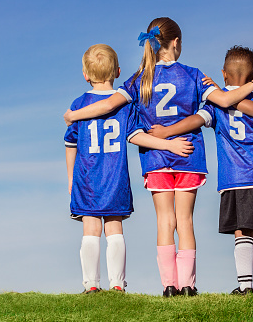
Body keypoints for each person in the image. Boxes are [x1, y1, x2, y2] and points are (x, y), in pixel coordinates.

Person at [63, 17, 253, 297]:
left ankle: (168, 286)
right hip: (189, 155)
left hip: (155, 158)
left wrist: (74, 114)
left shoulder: (139, 79)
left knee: (165, 221)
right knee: (185, 221)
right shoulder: (194, 74)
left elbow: (109, 103)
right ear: (176, 43)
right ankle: (188, 285)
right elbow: (224, 101)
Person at [65, 43, 194, 294]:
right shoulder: (124, 106)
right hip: (115, 178)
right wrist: (168, 145)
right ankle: (117, 284)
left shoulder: (79, 104)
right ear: (118, 72)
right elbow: (137, 137)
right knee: (114, 227)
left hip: (87, 179)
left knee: (90, 228)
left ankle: (91, 285)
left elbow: (71, 144)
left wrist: (71, 178)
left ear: (85, 75)